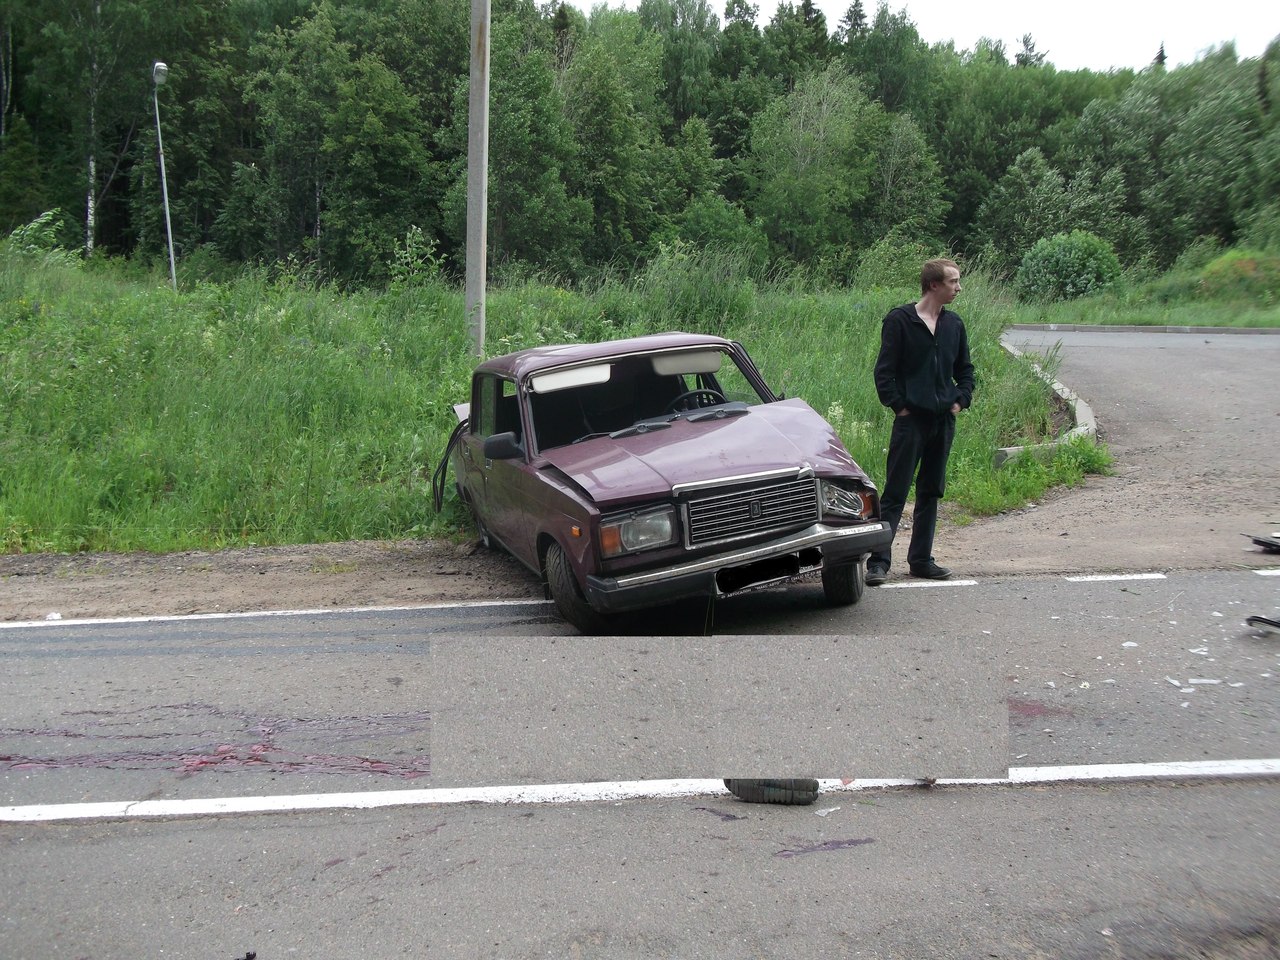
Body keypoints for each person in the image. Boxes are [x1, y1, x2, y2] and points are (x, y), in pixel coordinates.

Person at [865, 258, 975, 586]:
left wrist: (960, 400)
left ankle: (921, 560)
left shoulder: (954, 324)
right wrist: (899, 406)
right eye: (953, 282)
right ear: (933, 285)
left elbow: (965, 370)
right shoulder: (899, 321)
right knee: (895, 492)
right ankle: (879, 562)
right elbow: (884, 371)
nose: (958, 287)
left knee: (931, 491)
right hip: (910, 422)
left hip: (942, 422)